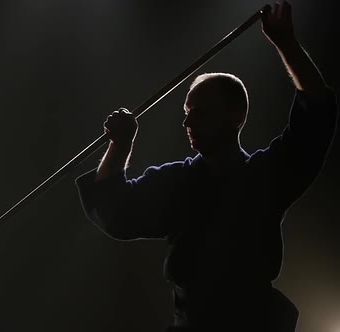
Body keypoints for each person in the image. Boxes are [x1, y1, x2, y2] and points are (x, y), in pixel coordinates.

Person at [74, 1, 338, 331]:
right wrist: (121, 144)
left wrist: (286, 42)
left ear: (234, 118)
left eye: (199, 111)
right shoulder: (178, 182)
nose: (187, 120)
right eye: (187, 111)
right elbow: (115, 212)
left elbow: (316, 115)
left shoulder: (265, 177)